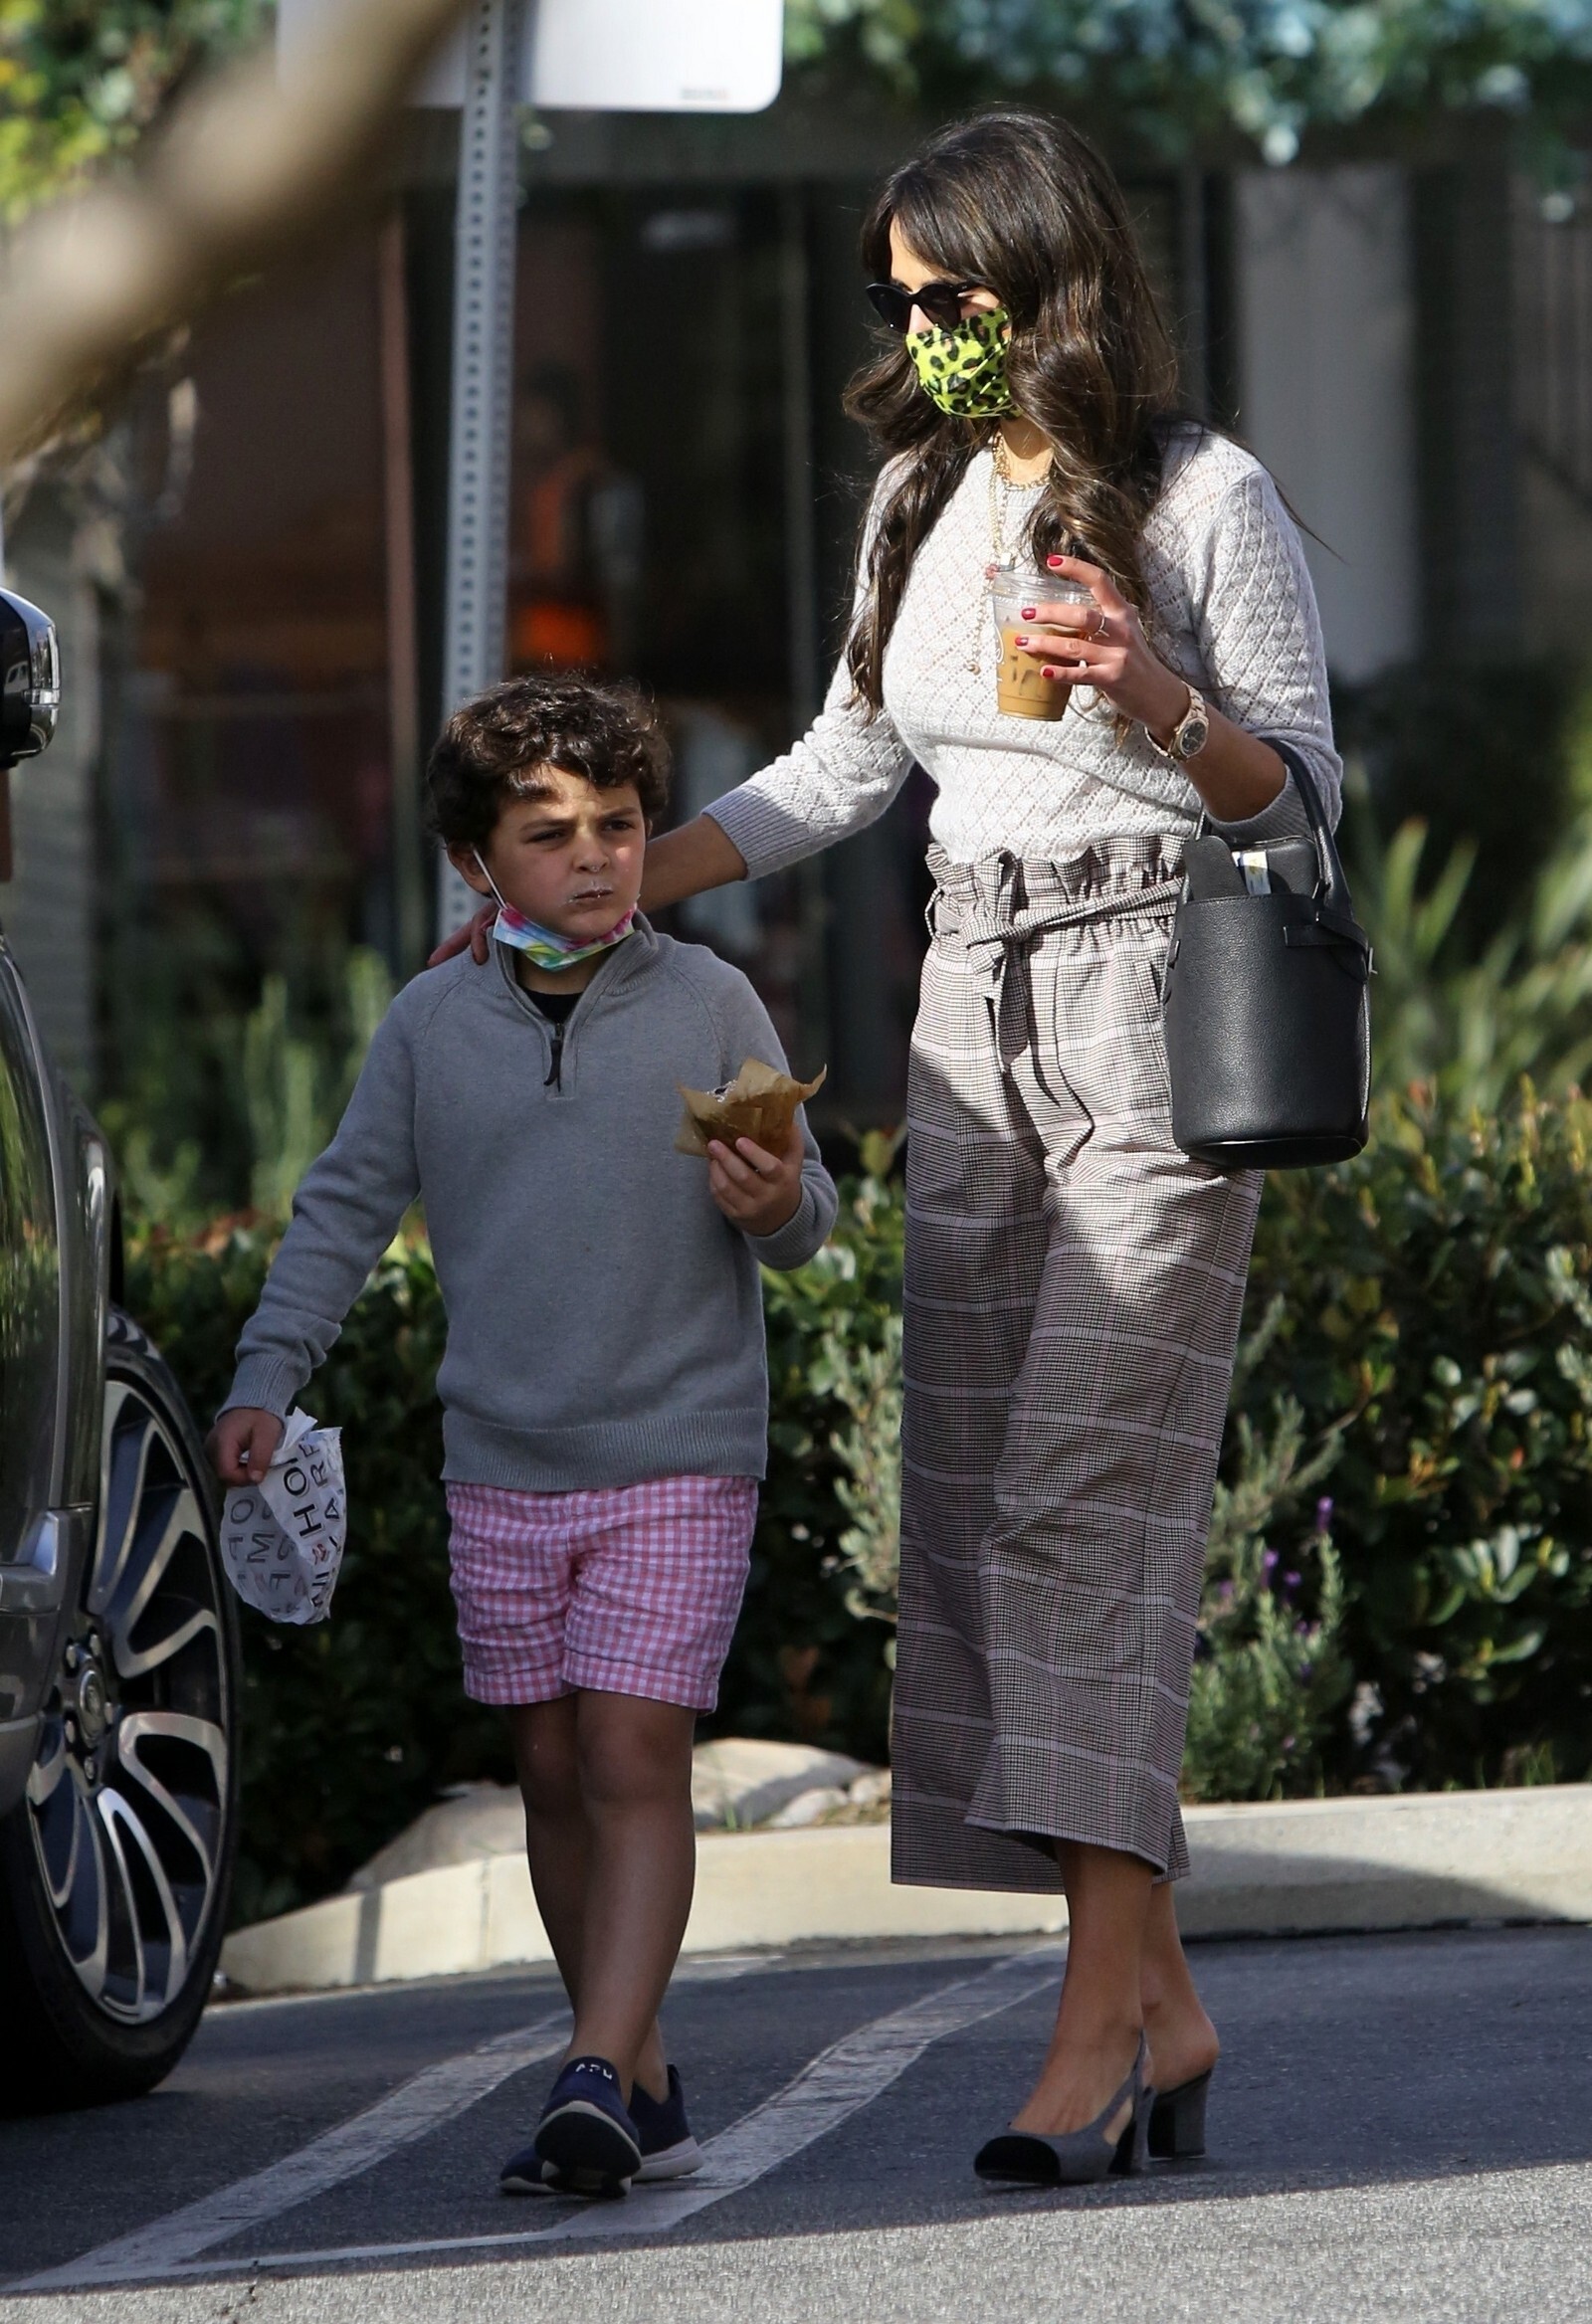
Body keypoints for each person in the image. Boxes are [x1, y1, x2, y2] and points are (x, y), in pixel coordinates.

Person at [442, 108, 1342, 2185]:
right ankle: (1161, 1993)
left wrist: (1152, 691)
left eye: (950, 297)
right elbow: (845, 765)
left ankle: (1091, 2027)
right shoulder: (919, 494)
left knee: (1076, 1507)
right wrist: (594, 893)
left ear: (1048, 283)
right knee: (980, 1509)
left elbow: (1297, 800)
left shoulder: (1203, 495)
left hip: (1154, 1001)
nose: (921, 330)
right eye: (897, 299)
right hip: (964, 1012)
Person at [210, 676, 837, 2199]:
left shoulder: (711, 1001)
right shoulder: (429, 1025)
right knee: (551, 1769)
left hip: (682, 1443)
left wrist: (777, 1206)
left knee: (630, 1751)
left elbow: (806, 1213)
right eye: (549, 832)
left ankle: (589, 2072)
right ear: (475, 861)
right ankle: (636, 2070)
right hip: (501, 1457)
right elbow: (344, 1209)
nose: (596, 855)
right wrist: (264, 1375)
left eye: (617, 823)